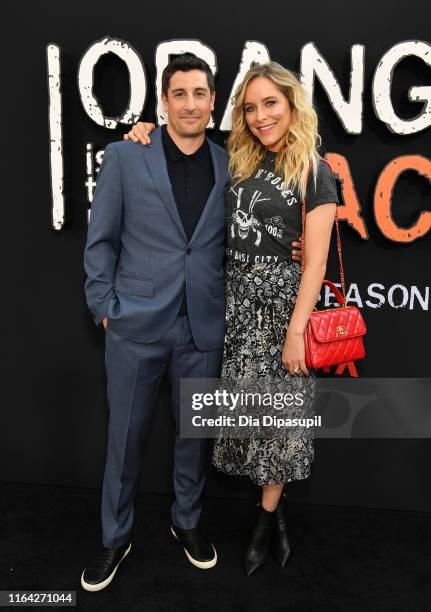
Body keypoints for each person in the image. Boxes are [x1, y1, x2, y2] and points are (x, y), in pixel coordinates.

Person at [125, 61, 320, 579]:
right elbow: (178, 161)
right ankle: (268, 518)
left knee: (280, 425)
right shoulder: (236, 159)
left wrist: (297, 329)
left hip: (282, 314)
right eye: (251, 107)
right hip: (231, 310)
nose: (260, 116)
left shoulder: (314, 169)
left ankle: (265, 522)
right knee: (245, 423)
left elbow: (317, 261)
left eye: (270, 104)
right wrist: (143, 127)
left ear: (292, 104)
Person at [81, 54, 227, 592]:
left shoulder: (231, 164)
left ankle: (186, 522)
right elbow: (100, 241)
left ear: (213, 103)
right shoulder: (126, 155)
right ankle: (114, 538)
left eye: (200, 93)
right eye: (180, 93)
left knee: (195, 439)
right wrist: (104, 308)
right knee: (124, 440)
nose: (190, 103)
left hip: (203, 327)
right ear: (164, 101)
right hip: (135, 326)